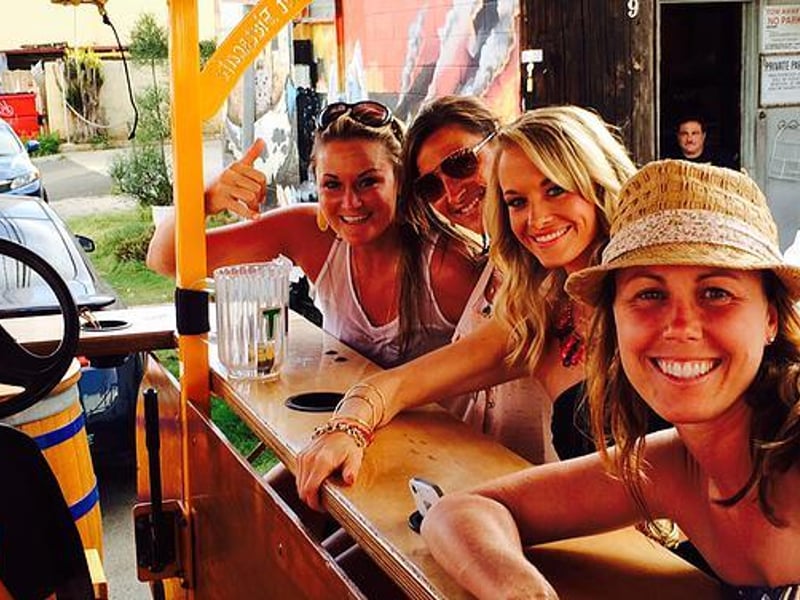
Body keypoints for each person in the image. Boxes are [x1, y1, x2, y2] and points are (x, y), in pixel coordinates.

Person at [420, 159, 800, 600]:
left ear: (771, 318)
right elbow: (463, 511)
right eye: (649, 294)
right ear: (614, 320)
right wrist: (521, 591)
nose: (680, 327)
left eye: (716, 293)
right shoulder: (673, 466)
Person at [296, 104, 639, 511]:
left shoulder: (653, 291)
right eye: (516, 202)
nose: (536, 218)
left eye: (555, 190)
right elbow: (399, 384)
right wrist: (347, 426)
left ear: (593, 178)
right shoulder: (540, 305)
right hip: (528, 508)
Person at [146, 100, 482, 369]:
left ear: (401, 181)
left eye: (368, 181)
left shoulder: (445, 266)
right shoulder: (311, 234)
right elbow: (165, 258)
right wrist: (205, 199)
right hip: (347, 424)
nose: (350, 202)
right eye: (332, 185)